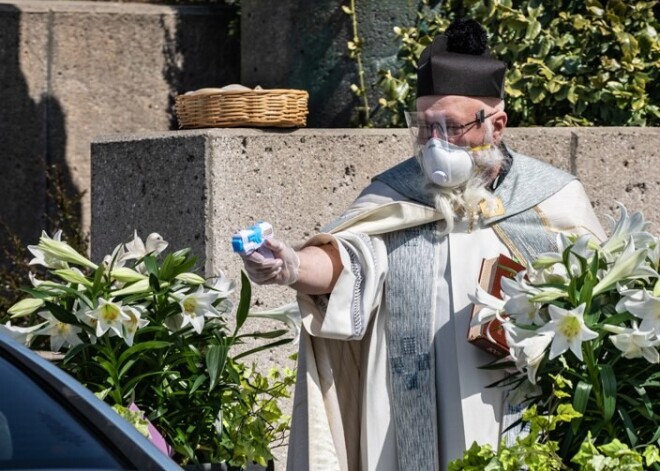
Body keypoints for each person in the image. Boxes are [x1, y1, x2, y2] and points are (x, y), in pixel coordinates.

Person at [240, 18, 606, 471]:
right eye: (424, 126)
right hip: (405, 402)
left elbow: (596, 298)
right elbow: (349, 260)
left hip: (514, 402)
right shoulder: (396, 192)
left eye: (451, 127)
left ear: (497, 124)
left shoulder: (551, 197)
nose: (435, 143)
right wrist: (291, 266)